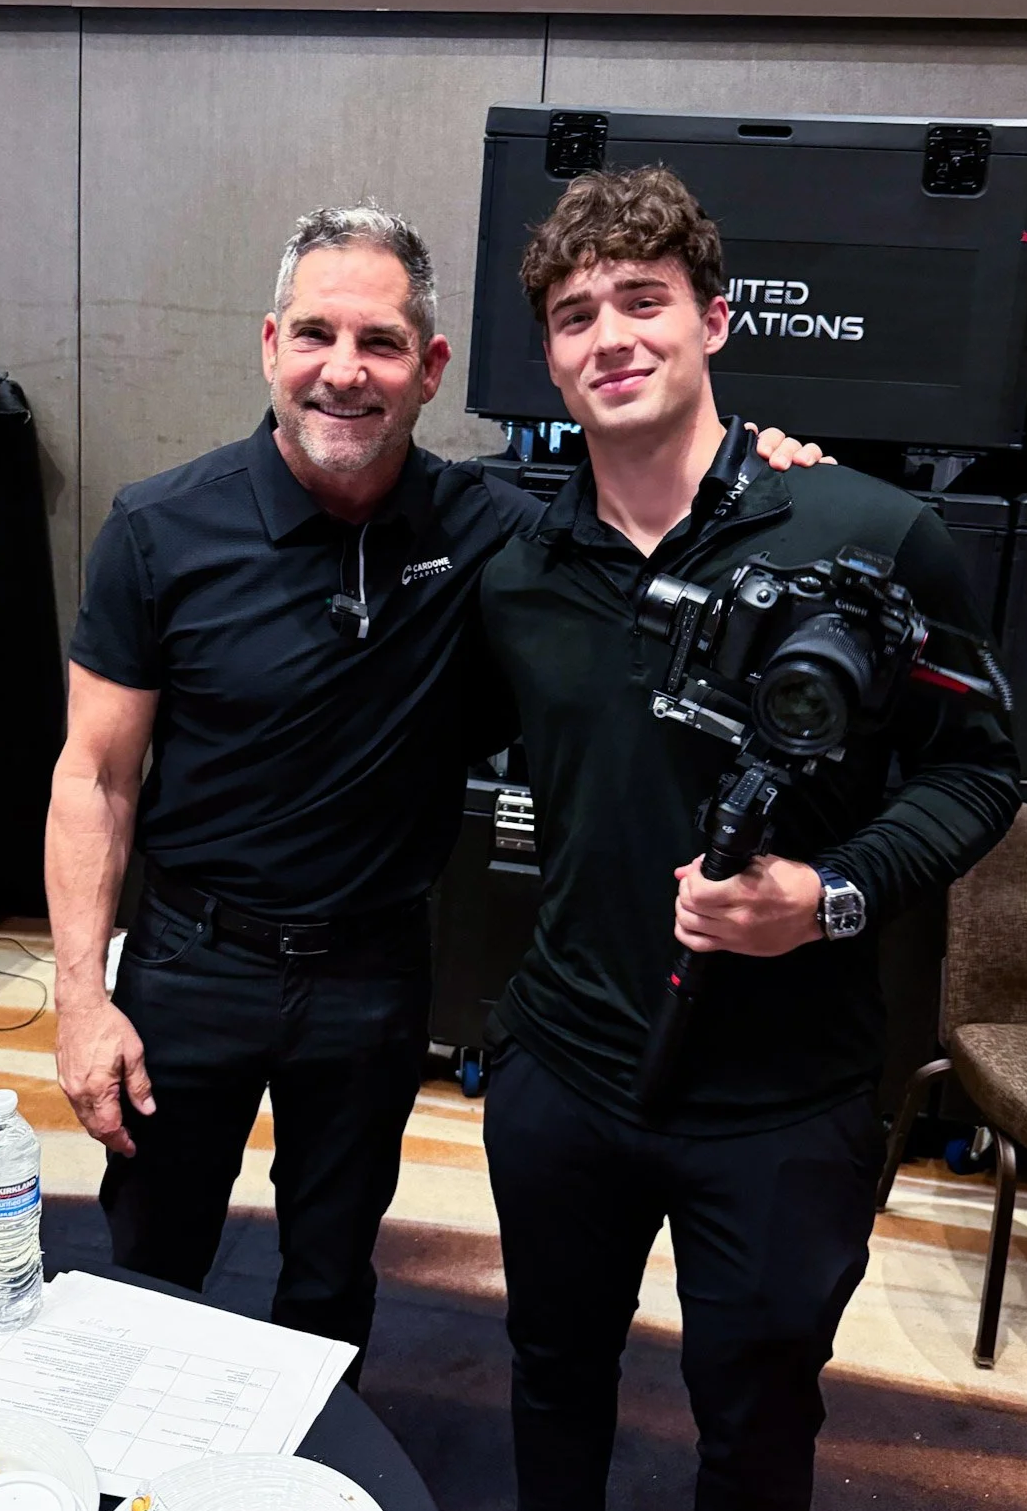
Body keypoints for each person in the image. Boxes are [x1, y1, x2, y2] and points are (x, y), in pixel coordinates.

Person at [46, 199, 823, 1372]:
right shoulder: (159, 529)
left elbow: (660, 504)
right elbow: (94, 775)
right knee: (153, 1261)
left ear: (430, 368)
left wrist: (772, 463)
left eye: (381, 344)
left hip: (372, 972)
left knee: (332, 1269)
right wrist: (79, 995)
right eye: (315, 335)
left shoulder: (500, 530)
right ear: (270, 345)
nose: (343, 372)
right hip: (188, 964)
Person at [478, 166, 1022, 1511]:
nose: (608, 336)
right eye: (572, 314)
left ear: (713, 321)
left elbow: (981, 770)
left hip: (781, 1107)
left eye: (642, 301)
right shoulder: (515, 566)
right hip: (561, 1074)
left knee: (756, 1423)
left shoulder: (870, 533)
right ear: (545, 358)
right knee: (549, 1378)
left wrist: (829, 893)